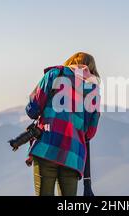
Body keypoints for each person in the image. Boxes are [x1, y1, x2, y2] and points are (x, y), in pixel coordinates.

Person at [25, 52, 101, 196]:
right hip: (73, 154)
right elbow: (90, 132)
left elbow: (32, 110)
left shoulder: (55, 74)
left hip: (46, 147)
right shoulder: (93, 89)